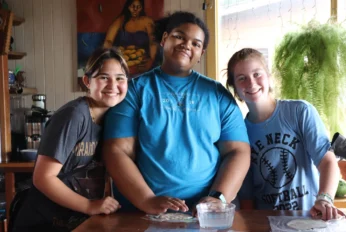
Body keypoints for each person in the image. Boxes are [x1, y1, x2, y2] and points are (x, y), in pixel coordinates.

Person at [102, 11, 250, 215]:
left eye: (196, 43)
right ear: (164, 39)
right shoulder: (134, 91)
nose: (186, 45)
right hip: (144, 213)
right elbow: (116, 151)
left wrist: (218, 198)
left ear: (201, 54)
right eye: (179, 36)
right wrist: (147, 200)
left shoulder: (218, 95)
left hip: (206, 216)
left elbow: (238, 151)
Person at [12, 47, 129, 231]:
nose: (113, 85)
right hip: (42, 223)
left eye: (120, 78)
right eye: (103, 77)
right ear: (87, 81)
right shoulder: (74, 115)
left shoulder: (113, 118)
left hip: (75, 223)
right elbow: (43, 178)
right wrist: (89, 206)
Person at [225, 48, 346, 221]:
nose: (251, 83)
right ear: (235, 89)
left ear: (268, 77)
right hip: (266, 222)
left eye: (257, 74)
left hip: (308, 217)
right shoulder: (239, 132)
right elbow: (247, 195)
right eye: (242, 78)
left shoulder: (300, 112)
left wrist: (325, 199)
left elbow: (327, 161)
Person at [103, 0, 160, 76]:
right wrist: (109, 57)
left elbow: (153, 42)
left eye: (138, 7)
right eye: (132, 6)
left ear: (142, 8)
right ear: (128, 7)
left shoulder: (147, 22)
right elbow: (108, 40)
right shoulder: (120, 21)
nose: (135, 9)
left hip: (143, 61)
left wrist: (151, 60)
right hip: (123, 59)